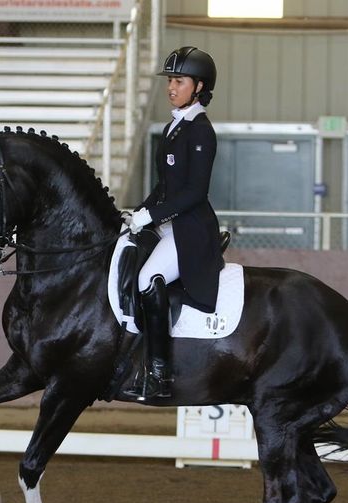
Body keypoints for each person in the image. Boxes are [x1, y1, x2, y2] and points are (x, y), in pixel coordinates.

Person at [121, 46, 224, 403]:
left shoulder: (200, 131)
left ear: (198, 87)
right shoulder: (173, 128)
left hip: (190, 229)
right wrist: (137, 213)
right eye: (170, 81)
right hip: (168, 224)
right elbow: (164, 188)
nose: (171, 87)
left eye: (179, 81)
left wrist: (153, 216)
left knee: (148, 279)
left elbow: (195, 192)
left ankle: (160, 373)